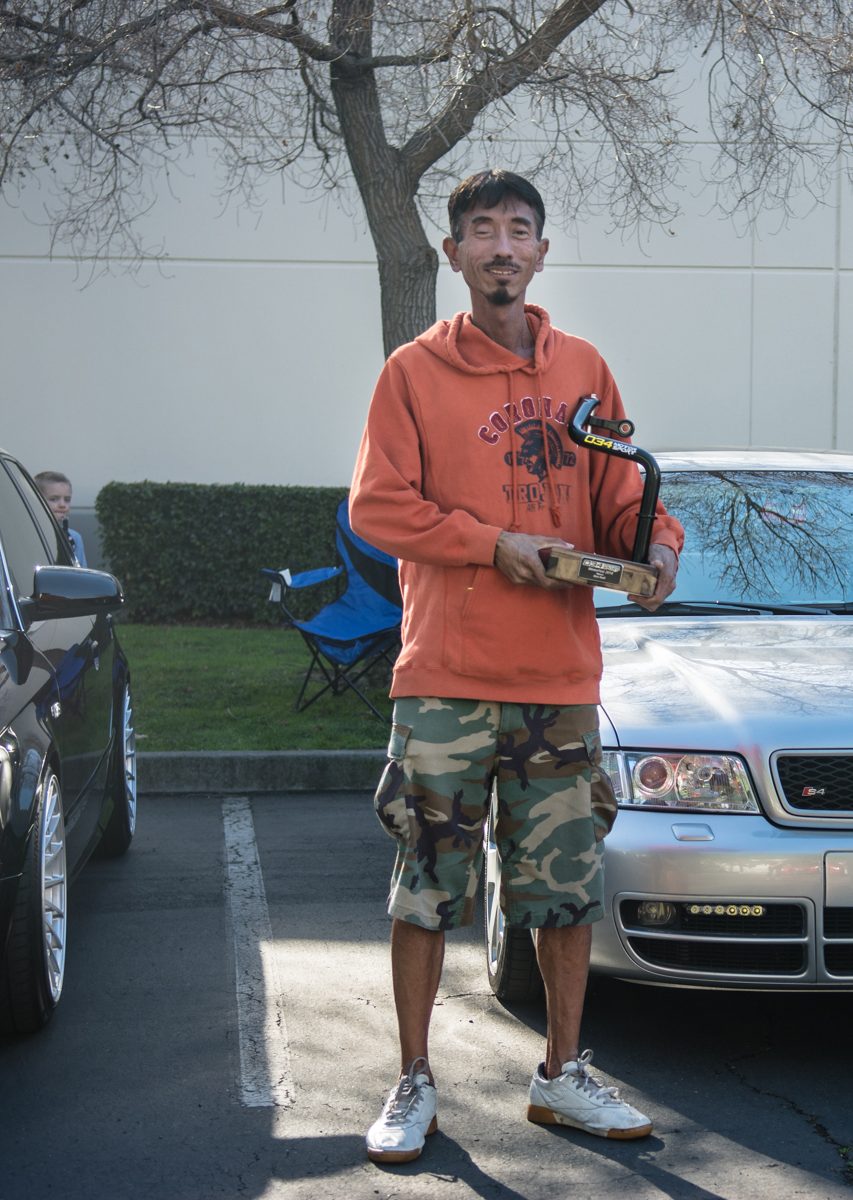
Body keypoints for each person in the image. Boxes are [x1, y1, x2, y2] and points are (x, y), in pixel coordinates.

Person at [348, 169, 684, 1165]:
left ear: (542, 251)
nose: (501, 246)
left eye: (519, 229)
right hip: (446, 678)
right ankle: (412, 1082)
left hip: (559, 682)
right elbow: (379, 507)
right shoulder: (412, 371)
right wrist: (489, 542)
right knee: (428, 885)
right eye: (482, 231)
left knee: (564, 892)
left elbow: (622, 493)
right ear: (454, 256)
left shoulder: (583, 367)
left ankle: (563, 1076)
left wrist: (656, 545)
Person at [33, 471, 86, 566]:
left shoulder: (74, 538)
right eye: (54, 499)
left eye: (67, 500)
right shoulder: (31, 533)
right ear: (36, 500)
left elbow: (82, 574)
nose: (62, 505)